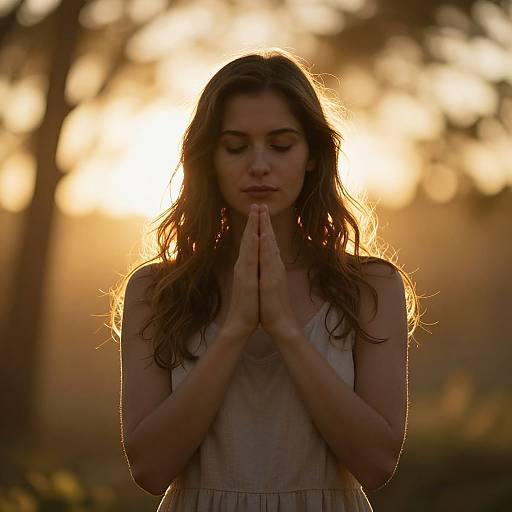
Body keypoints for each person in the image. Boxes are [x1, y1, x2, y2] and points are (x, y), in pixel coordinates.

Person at [111, 48, 421, 511]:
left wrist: (284, 327)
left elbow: (376, 464)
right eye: (235, 146)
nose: (259, 165)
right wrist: (236, 327)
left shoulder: (371, 287)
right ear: (209, 159)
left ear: (313, 156)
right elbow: (151, 470)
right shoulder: (156, 292)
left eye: (281, 145)